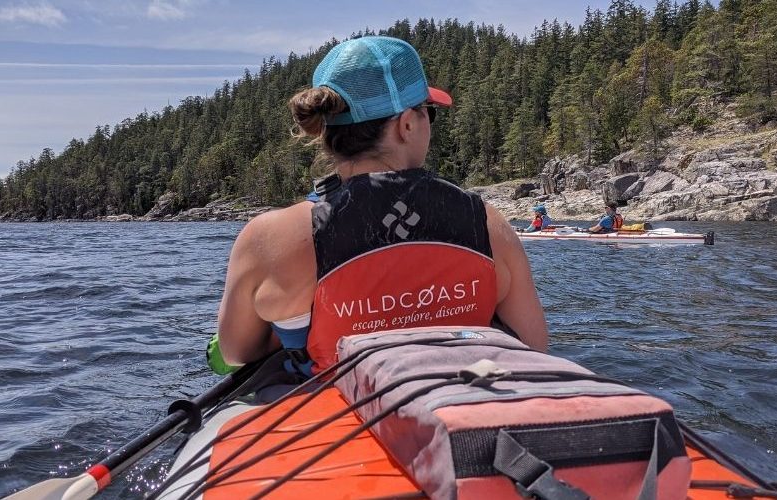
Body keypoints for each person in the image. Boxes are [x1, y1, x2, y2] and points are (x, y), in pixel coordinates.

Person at [214, 36, 548, 376]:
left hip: (340, 417)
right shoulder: (487, 223)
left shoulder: (270, 237)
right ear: (406, 124)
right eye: (428, 112)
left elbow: (236, 350)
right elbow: (534, 345)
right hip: (458, 409)